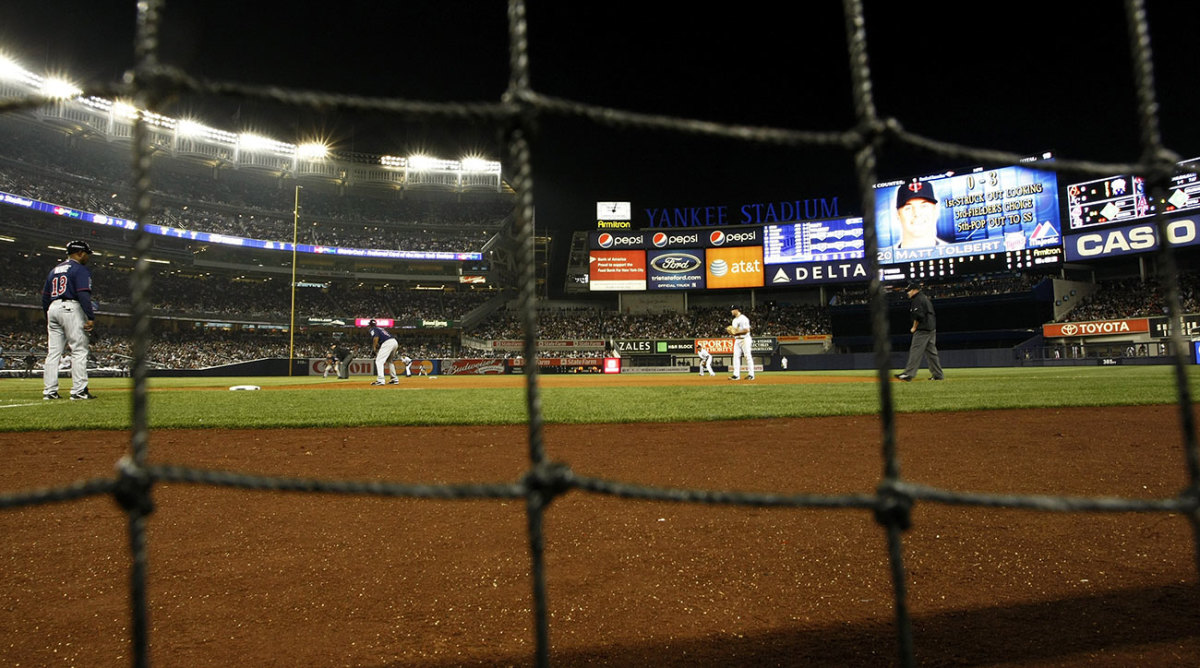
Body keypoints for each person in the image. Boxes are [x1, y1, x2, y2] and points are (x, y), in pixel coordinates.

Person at [42, 240, 96, 400]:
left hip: (53, 308)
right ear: (80, 253)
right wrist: (90, 316)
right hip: (71, 307)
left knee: (53, 353)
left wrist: (48, 315)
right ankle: (79, 391)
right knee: (79, 350)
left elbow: (45, 297)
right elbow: (83, 294)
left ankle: (49, 392)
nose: (87, 257)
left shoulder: (54, 270)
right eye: (86, 254)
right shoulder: (79, 269)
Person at [895, 282, 944, 381]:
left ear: (915, 290)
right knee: (931, 353)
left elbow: (918, 316)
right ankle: (938, 375)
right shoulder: (925, 298)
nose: (908, 293)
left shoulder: (917, 299)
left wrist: (914, 327)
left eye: (909, 291)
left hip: (923, 329)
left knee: (915, 351)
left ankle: (908, 374)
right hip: (931, 328)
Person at [894, 181, 945, 249]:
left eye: (924, 206)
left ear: (935, 210)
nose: (917, 214)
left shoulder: (954, 252)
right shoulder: (884, 257)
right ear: (898, 214)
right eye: (908, 208)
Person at [368, 319, 400, 385]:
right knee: (390, 361)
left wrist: (374, 348)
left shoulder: (373, 329)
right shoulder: (380, 328)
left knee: (379, 361)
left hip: (388, 343)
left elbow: (376, 337)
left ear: (370, 325)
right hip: (394, 342)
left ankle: (380, 380)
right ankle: (394, 379)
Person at [728, 304, 755, 381]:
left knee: (747, 356)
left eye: (732, 310)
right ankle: (736, 375)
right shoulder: (734, 320)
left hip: (745, 339)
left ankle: (751, 375)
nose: (731, 311)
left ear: (736, 310)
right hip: (737, 340)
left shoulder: (743, 318)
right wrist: (732, 333)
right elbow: (734, 332)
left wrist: (735, 332)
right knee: (736, 357)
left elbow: (747, 330)